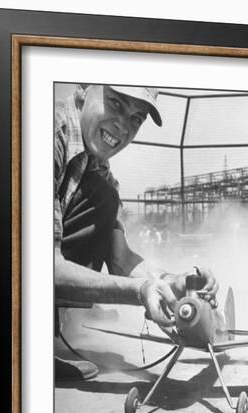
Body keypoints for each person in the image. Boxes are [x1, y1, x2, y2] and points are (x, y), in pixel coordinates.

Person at [54, 84, 219, 378]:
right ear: (82, 90)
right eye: (116, 103)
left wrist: (176, 282)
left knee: (104, 194)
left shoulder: (100, 171)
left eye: (136, 118)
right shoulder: (40, 133)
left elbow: (122, 260)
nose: (123, 125)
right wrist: (140, 291)